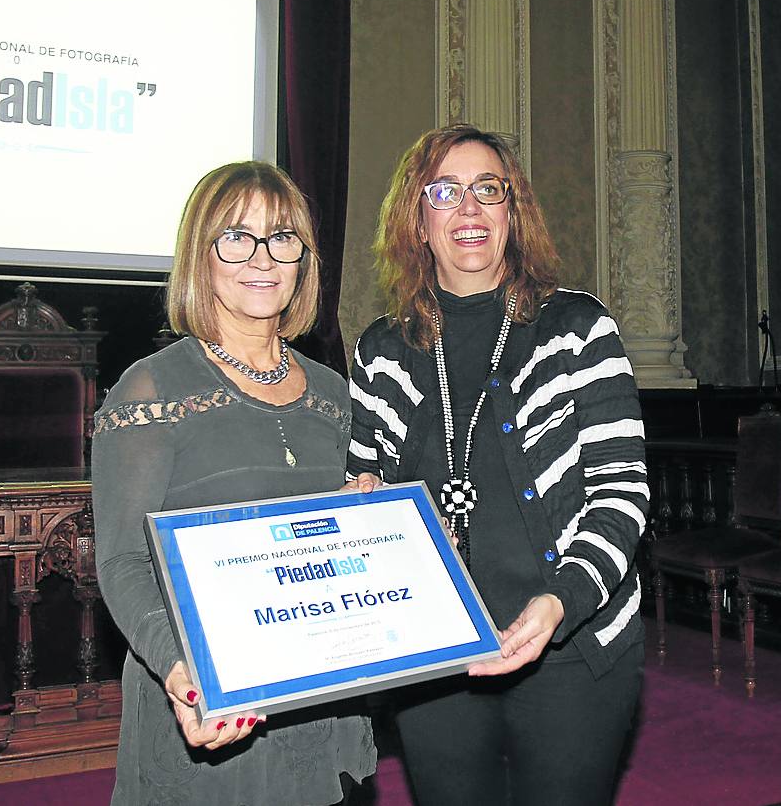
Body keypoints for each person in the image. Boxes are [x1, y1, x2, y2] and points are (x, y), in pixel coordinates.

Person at [349, 124, 646, 806]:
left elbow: (622, 494)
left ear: (514, 212)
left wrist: (560, 601)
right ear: (417, 221)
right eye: (445, 192)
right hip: (437, 654)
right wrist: (357, 503)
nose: (470, 209)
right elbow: (364, 485)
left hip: (572, 643)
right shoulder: (380, 351)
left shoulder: (578, 329)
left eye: (489, 189)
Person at [92, 162, 375, 805]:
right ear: (202, 254)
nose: (263, 258)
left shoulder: (334, 392)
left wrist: (367, 518)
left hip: (319, 688)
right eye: (236, 237)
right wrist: (184, 673)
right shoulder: (151, 389)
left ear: (302, 258)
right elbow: (121, 560)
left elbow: (337, 544)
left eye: (282, 238)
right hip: (210, 691)